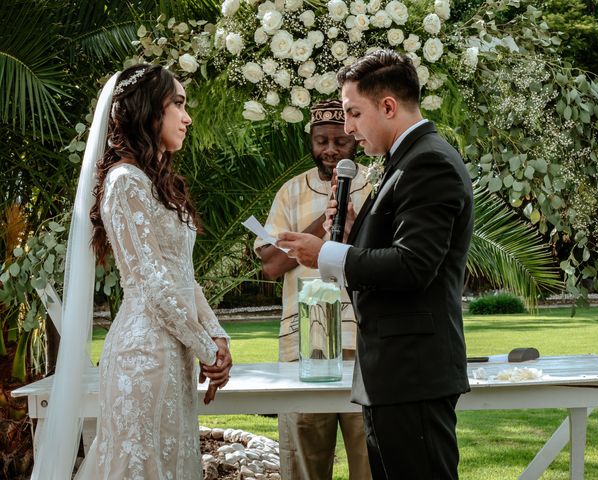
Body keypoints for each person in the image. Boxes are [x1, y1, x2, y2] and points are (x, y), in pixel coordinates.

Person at [277, 50, 474, 479]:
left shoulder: (429, 161)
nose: (347, 128)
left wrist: (324, 253)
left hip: (412, 374)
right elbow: (393, 254)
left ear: (388, 106)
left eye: (353, 113)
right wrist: (349, 235)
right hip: (391, 374)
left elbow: (413, 265)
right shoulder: (403, 160)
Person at [31, 64, 232, 480]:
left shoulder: (161, 184)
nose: (187, 116)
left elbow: (183, 277)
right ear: (146, 111)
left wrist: (218, 336)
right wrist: (207, 352)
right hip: (143, 356)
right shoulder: (125, 182)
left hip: (173, 353)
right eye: (177, 104)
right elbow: (153, 285)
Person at [254, 100, 372, 480]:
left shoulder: (375, 186)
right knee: (303, 460)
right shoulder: (290, 192)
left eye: (339, 140)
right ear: (312, 140)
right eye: (322, 140)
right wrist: (325, 223)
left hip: (364, 342)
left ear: (354, 140)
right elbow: (271, 265)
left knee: (369, 455)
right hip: (303, 345)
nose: (330, 149)